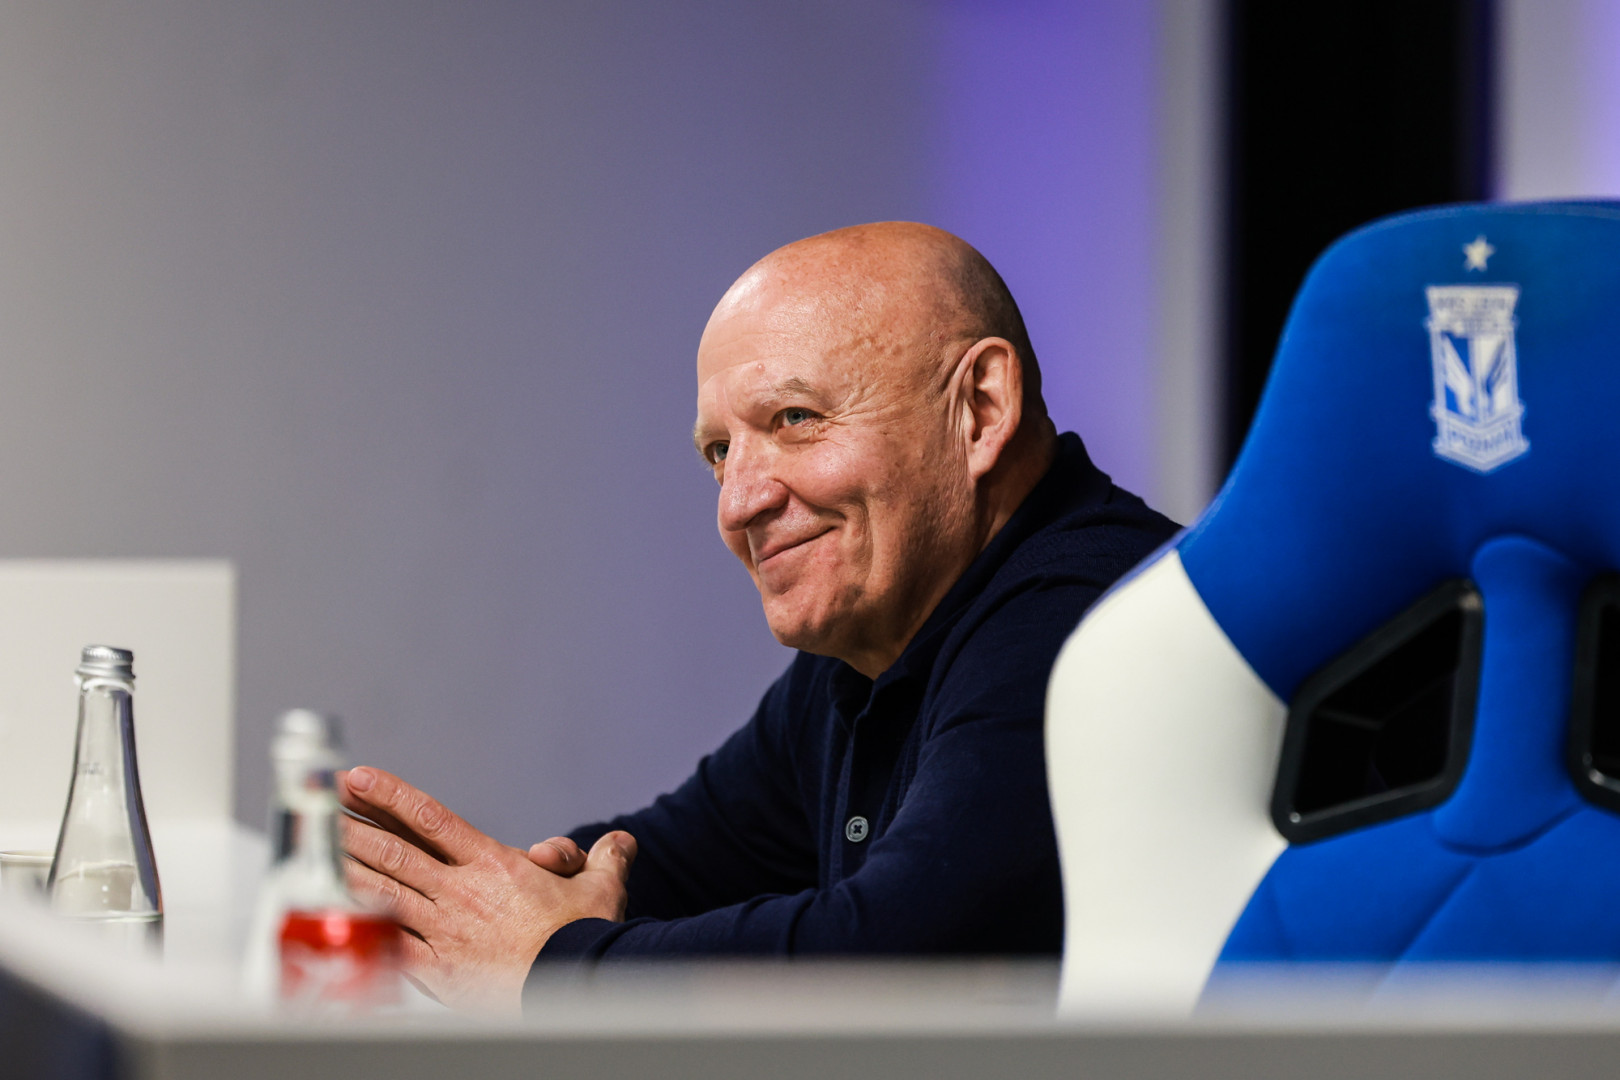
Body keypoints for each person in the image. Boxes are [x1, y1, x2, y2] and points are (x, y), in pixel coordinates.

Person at [338, 222, 1179, 1013]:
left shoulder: (1097, 621)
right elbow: (666, 865)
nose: (737, 504)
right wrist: (488, 906)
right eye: (720, 452)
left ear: (981, 408)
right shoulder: (871, 646)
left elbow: (910, 956)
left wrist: (555, 966)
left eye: (795, 420)